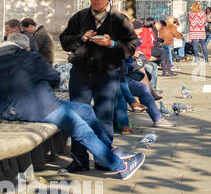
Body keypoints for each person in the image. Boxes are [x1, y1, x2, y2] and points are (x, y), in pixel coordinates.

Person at [0, 38, 144, 179]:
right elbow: (54, 77)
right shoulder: (29, 57)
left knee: (85, 110)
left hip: (11, 112)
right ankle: (121, 167)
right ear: (24, 48)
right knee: (84, 132)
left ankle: (110, 150)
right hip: (42, 107)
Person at [59, 0, 139, 147]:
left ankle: (104, 157)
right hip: (81, 73)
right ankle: (78, 159)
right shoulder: (80, 17)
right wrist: (80, 38)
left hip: (107, 74)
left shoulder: (119, 19)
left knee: (104, 117)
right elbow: (64, 41)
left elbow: (131, 45)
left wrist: (111, 44)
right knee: (78, 116)